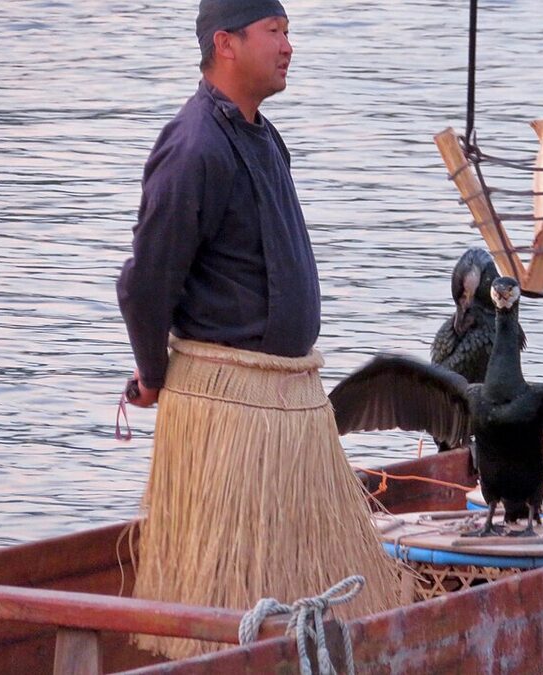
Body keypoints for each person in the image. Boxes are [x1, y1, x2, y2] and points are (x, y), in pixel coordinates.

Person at [116, 0, 403, 659]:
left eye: (288, 31)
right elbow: (145, 280)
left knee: (308, 592)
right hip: (229, 410)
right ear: (226, 43)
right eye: (274, 31)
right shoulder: (193, 148)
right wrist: (153, 377)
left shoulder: (263, 135)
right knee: (228, 596)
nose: (288, 45)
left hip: (291, 407)